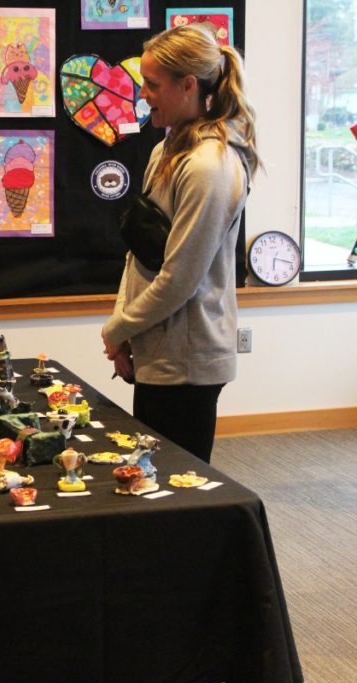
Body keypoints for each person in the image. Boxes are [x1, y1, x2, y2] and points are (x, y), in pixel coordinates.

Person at [101, 23, 260, 463]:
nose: (144, 94)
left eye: (152, 85)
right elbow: (142, 257)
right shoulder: (168, 150)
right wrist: (126, 331)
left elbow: (180, 278)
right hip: (157, 353)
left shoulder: (211, 166)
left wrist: (117, 330)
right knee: (149, 484)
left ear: (188, 85)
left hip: (187, 364)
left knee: (179, 493)